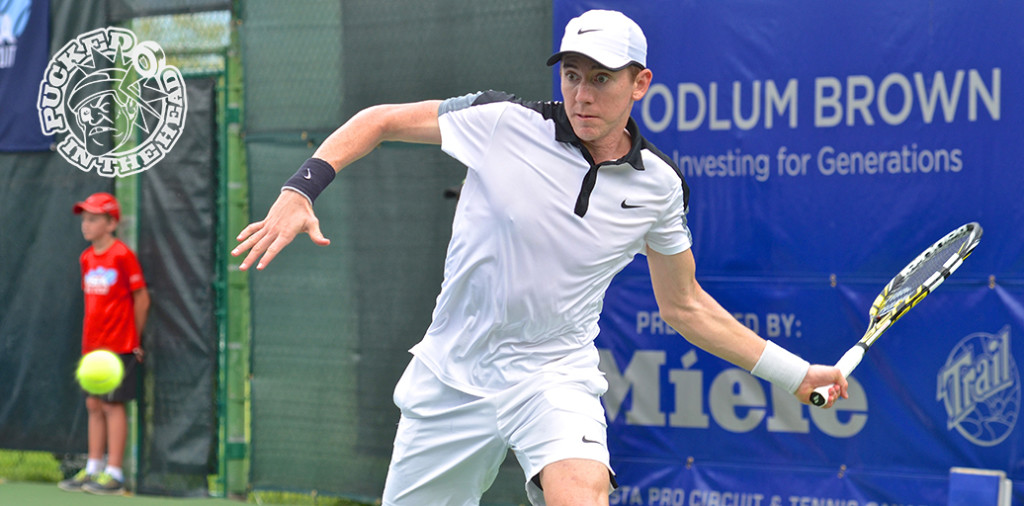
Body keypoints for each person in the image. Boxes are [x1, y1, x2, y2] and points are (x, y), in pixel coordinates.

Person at [232, 9, 848, 506]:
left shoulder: (659, 187)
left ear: (640, 83)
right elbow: (381, 119)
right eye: (572, 75)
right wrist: (298, 190)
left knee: (580, 492)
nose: (582, 94)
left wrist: (795, 375)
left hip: (552, 376)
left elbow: (685, 306)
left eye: (601, 78)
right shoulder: (501, 123)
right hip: (451, 374)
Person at [58, 192, 150, 496]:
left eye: (94, 218)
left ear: (111, 223)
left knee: (112, 405)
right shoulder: (86, 257)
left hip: (120, 346)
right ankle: (93, 469)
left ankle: (115, 474)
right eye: (84, 218)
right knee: (93, 404)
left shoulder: (122, 255)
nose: (86, 224)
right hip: (92, 348)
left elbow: (142, 298)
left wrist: (133, 339)